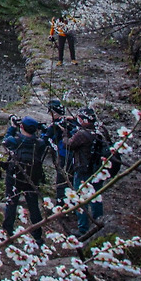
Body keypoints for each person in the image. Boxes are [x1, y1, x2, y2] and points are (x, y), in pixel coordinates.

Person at [2, 115, 49, 243]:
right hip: (32, 179)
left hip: (14, 178)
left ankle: (8, 234)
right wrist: (42, 128)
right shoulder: (39, 144)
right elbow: (46, 137)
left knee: (11, 204)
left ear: (21, 126)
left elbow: (5, 141)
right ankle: (38, 235)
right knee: (34, 207)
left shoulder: (14, 141)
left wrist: (12, 127)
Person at [64, 107, 104, 235]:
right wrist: (75, 120)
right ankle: (99, 223)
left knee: (80, 199)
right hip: (98, 169)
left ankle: (83, 229)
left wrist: (64, 133)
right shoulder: (100, 131)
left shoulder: (81, 134)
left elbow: (69, 144)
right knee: (96, 197)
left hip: (83, 170)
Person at [43, 98, 75, 204]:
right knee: (71, 178)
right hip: (75, 155)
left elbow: (46, 139)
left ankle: (61, 203)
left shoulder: (55, 125)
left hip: (64, 154)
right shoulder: (70, 121)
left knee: (61, 179)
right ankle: (72, 200)